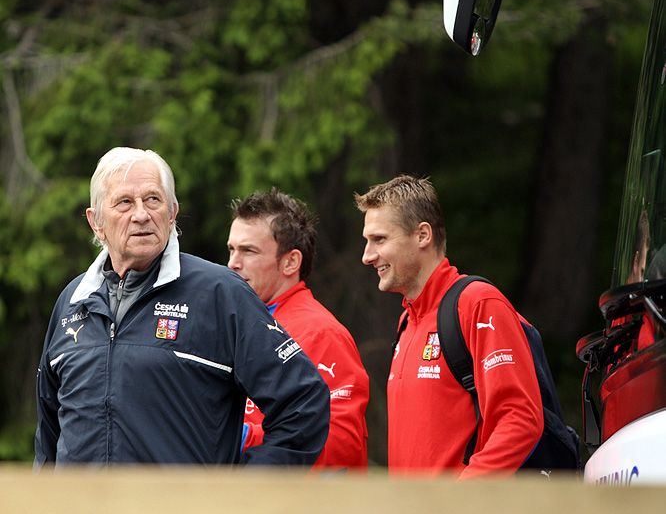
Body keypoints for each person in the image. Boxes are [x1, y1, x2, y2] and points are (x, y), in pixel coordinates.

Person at [34, 147, 330, 466]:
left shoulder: (221, 294)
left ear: (172, 212)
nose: (141, 215)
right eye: (124, 202)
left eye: (153, 200)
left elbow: (304, 404)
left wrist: (245, 492)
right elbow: (48, 436)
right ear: (96, 221)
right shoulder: (72, 300)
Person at [355, 175, 543, 479]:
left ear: (422, 235)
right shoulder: (407, 321)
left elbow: (520, 419)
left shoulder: (478, 303)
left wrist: (458, 502)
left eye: (379, 239)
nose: (367, 256)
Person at [227, 188, 369, 469]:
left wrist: (240, 438)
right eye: (231, 249)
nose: (233, 264)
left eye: (248, 251)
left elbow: (341, 444)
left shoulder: (322, 333)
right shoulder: (235, 324)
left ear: (291, 262)